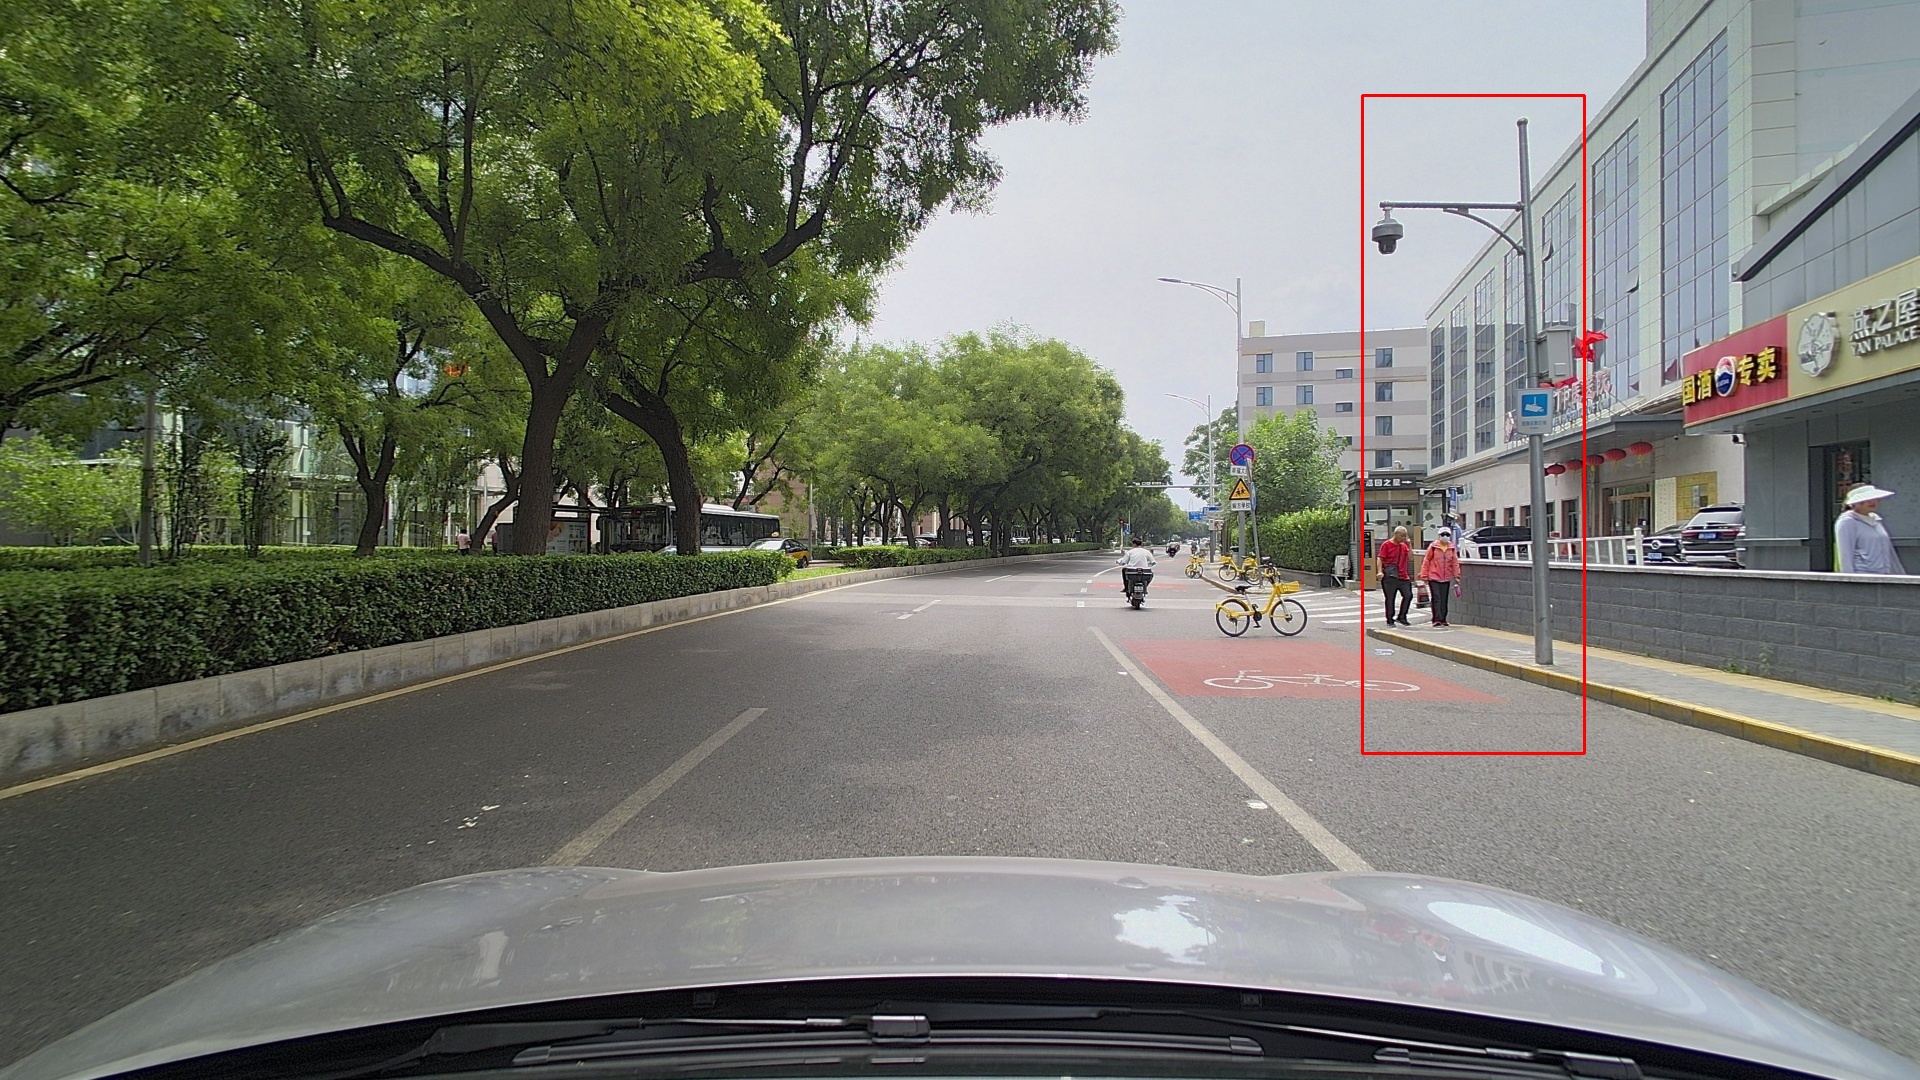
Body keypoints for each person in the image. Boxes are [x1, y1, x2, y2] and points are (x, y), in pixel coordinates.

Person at [1836, 484, 1907, 574]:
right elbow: (1845, 554)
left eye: (1875, 499)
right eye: (1867, 500)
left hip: (1884, 574)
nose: (1873, 502)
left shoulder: (1876, 520)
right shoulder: (1847, 522)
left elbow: (1889, 552)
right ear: (1854, 504)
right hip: (1863, 574)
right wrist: (1849, 578)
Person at [1416, 528, 1459, 627]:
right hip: (1434, 577)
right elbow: (1426, 561)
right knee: (1436, 597)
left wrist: (1457, 575)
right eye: (1443, 534)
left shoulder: (1452, 548)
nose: (1445, 536)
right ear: (1439, 535)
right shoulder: (1433, 547)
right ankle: (1436, 619)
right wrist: (1424, 575)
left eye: (1447, 534)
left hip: (1446, 578)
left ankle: (1443, 619)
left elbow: (1455, 562)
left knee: (1444, 599)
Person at [1377, 525, 1414, 626]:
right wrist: (1380, 571)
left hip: (1403, 576)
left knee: (1408, 595)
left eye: (1405, 536)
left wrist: (1409, 544)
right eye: (1402, 536)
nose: (1403, 538)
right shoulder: (1386, 545)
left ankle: (1402, 616)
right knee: (1390, 598)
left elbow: (1410, 557)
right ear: (1396, 534)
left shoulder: (1404, 546)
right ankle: (1390, 619)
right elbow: (1380, 558)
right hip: (1390, 576)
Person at [1118, 537, 1157, 602]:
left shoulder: (1130, 552)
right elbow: (1153, 562)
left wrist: (1120, 562)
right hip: (1144, 571)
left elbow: (1124, 562)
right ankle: (1145, 586)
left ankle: (1126, 588)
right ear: (1141, 544)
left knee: (1124, 570)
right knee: (1151, 574)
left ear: (1134, 544)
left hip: (1131, 571)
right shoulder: (1146, 552)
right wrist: (1148, 565)